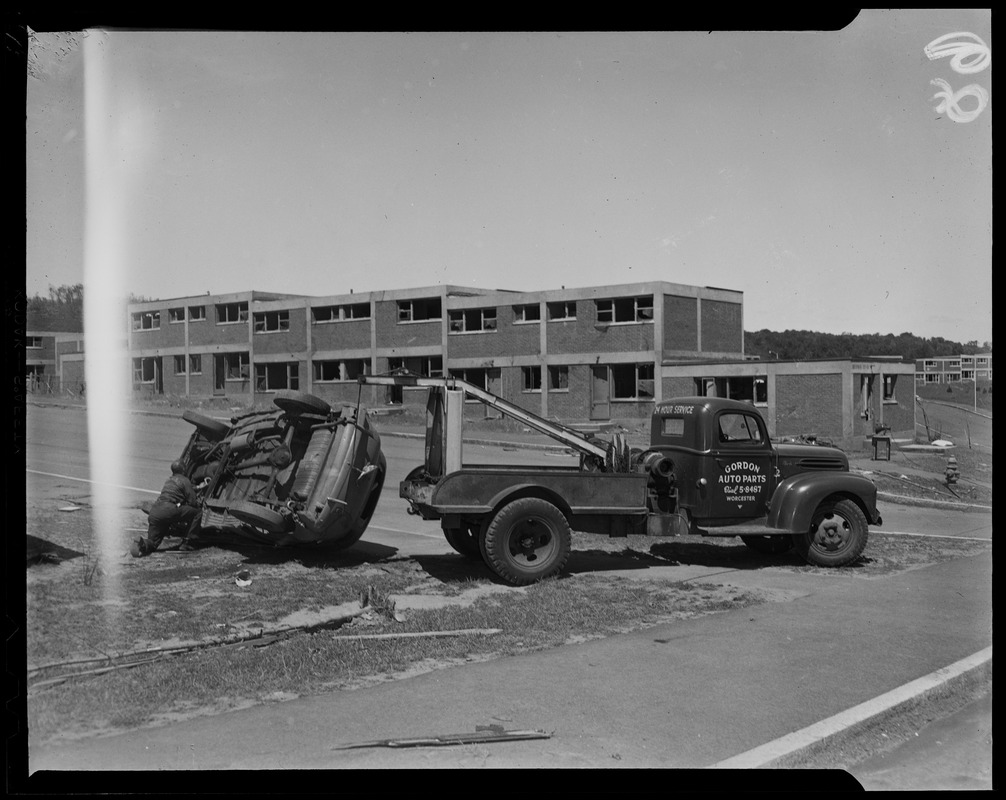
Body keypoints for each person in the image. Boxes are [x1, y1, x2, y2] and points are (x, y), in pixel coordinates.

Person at [131, 461, 202, 557]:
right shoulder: (185, 480)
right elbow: (192, 502)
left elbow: (178, 490)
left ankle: (142, 544)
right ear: (183, 470)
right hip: (169, 510)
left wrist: (196, 488)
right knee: (197, 513)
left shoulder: (169, 480)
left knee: (153, 543)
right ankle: (188, 543)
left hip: (155, 512)